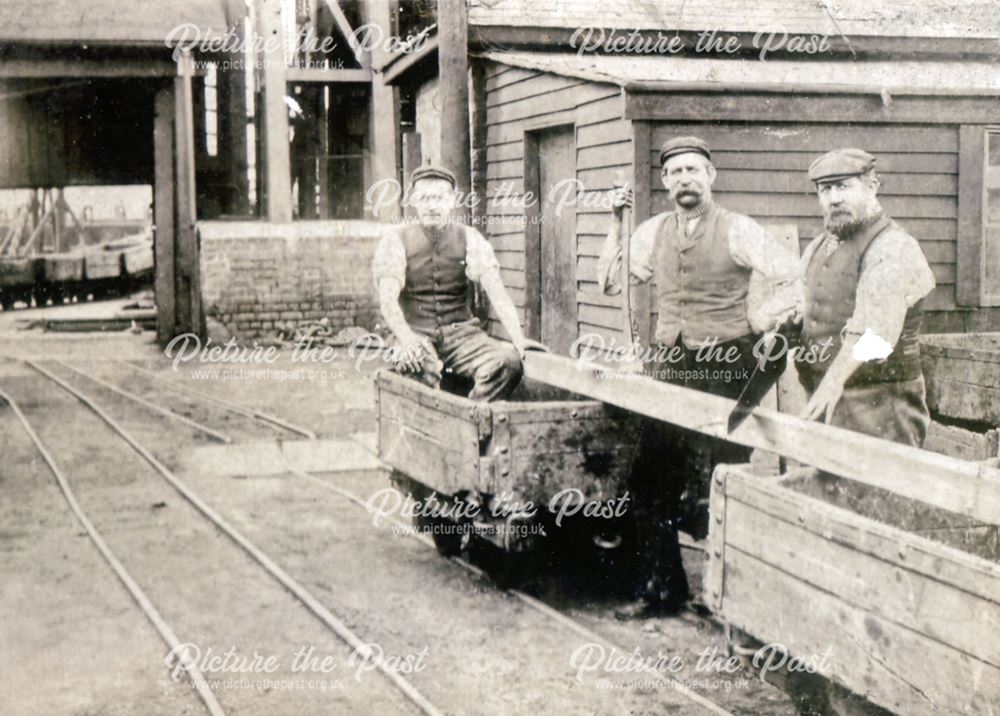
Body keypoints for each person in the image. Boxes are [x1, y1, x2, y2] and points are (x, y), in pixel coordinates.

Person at [598, 136, 802, 618]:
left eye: (694, 170)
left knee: (725, 473)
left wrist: (761, 318)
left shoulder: (738, 229)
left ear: (710, 176)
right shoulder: (652, 231)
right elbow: (611, 281)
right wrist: (613, 222)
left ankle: (734, 601)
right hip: (672, 362)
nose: (685, 179)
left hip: (727, 365)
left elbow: (793, 276)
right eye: (675, 173)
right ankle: (663, 589)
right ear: (666, 182)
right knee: (652, 477)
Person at [797, 148, 935, 446]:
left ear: (872, 187)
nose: (834, 198)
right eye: (825, 189)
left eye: (843, 187)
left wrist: (832, 382)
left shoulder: (892, 247)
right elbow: (808, 305)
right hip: (827, 400)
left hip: (882, 408)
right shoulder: (820, 246)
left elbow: (878, 334)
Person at [373, 165, 534, 401]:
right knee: (416, 362)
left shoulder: (469, 238)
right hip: (415, 333)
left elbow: (497, 292)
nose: (431, 205)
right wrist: (406, 340)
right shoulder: (396, 240)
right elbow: (387, 301)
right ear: (414, 201)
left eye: (438, 197)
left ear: (452, 201)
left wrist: (518, 339)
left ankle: (472, 416)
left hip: (462, 336)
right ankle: (433, 427)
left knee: (508, 363)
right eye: (425, 198)